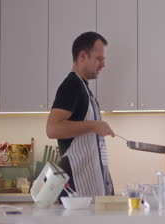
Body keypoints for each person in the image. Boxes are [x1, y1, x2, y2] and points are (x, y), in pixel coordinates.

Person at [46, 31, 115, 197]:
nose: (103, 64)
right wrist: (95, 125)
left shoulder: (84, 88)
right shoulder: (72, 86)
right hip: (76, 195)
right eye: (99, 59)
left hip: (88, 193)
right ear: (83, 56)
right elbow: (52, 129)